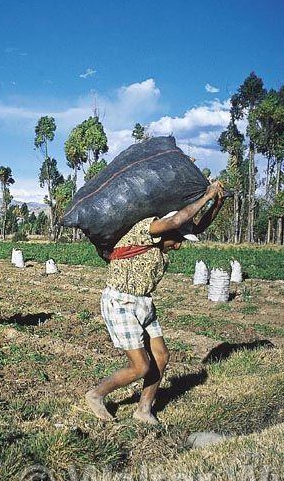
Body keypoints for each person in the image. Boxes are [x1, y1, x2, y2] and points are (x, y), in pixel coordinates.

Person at [84, 181, 226, 425]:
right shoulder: (143, 230)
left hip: (144, 303)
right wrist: (205, 197)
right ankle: (96, 395)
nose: (179, 246)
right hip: (121, 301)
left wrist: (217, 203)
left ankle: (144, 409)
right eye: (178, 240)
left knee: (161, 356)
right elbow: (174, 222)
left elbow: (196, 226)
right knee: (140, 367)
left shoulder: (161, 247)